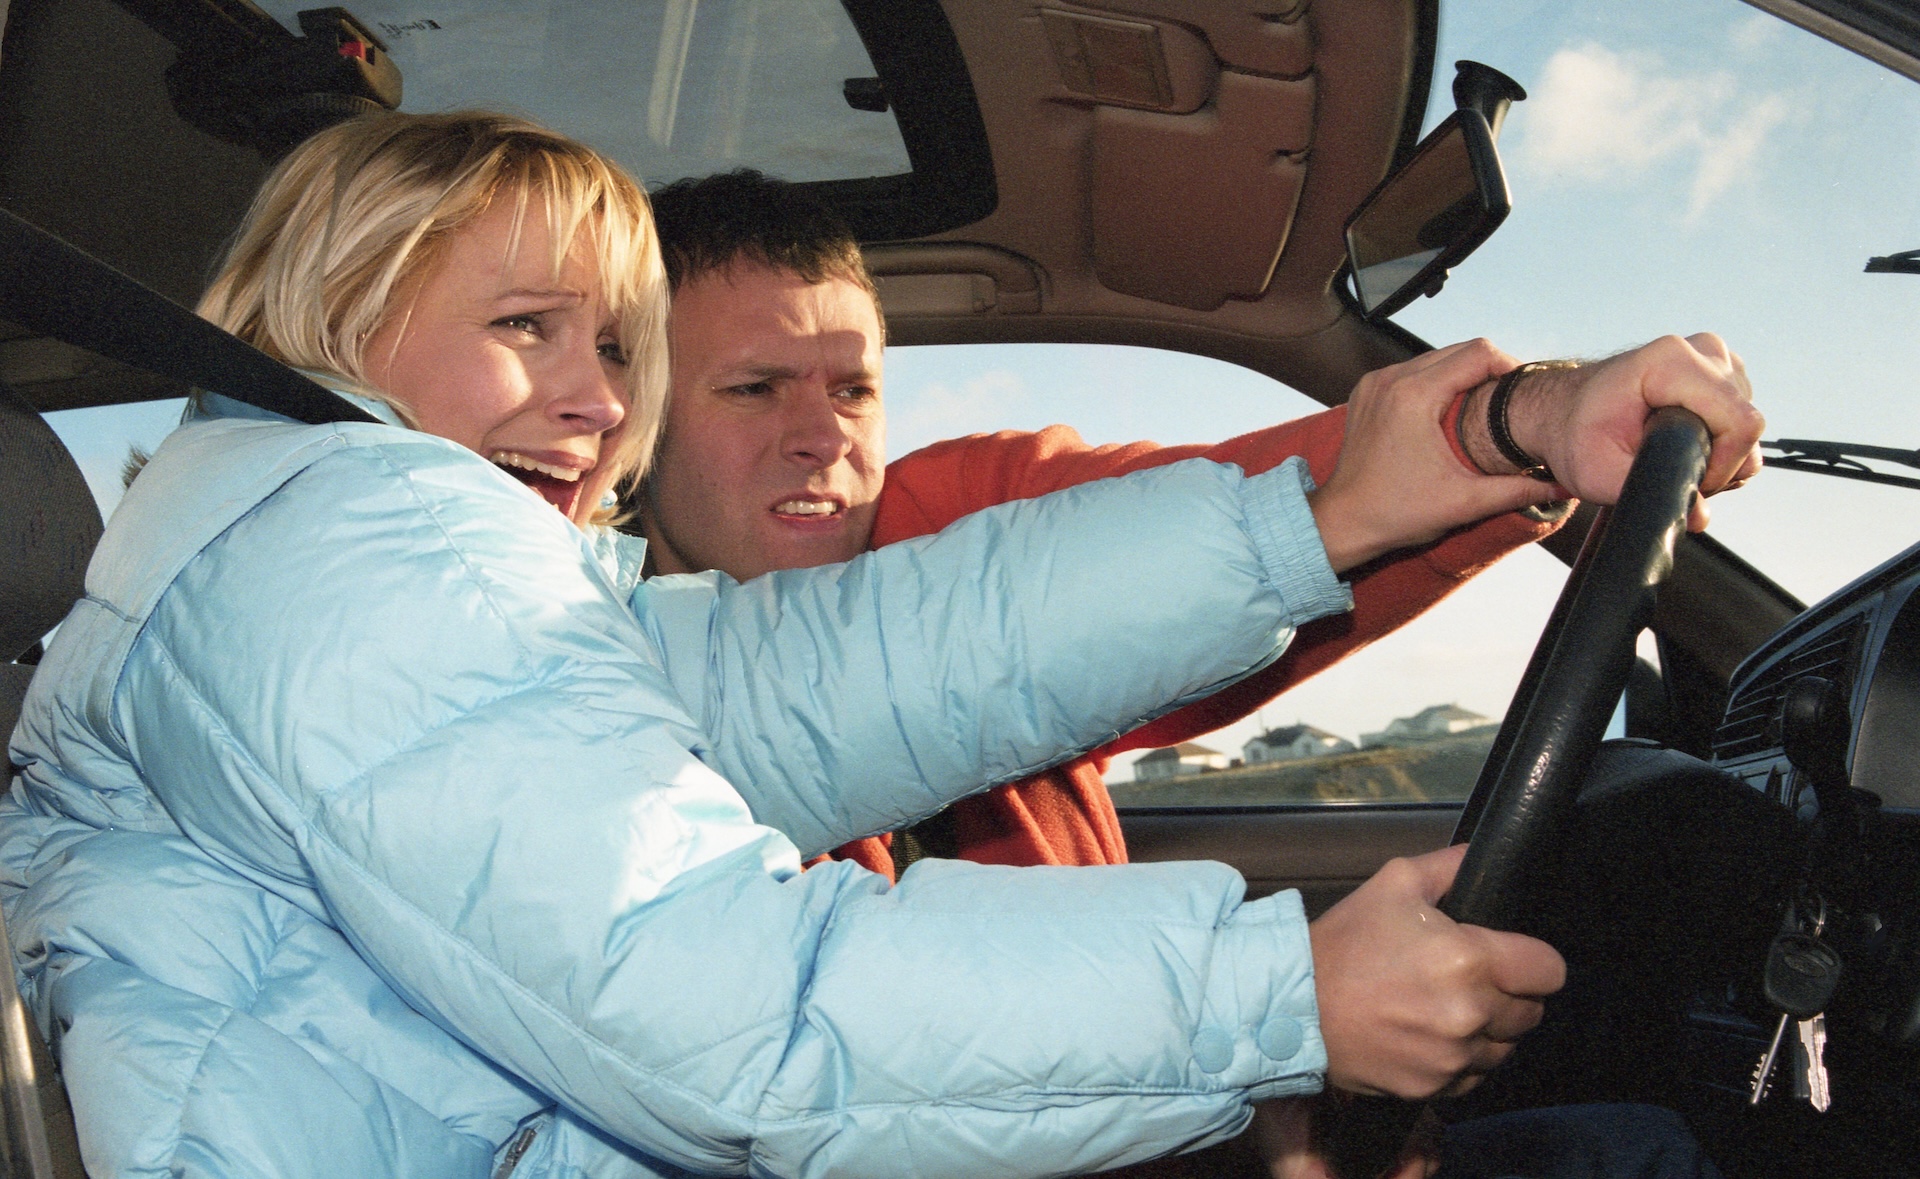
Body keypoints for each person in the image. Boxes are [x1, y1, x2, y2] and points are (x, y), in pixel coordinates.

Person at [0, 112, 1755, 1179]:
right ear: (333, 317)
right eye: (526, 328)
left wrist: (1362, 494)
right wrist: (1270, 995)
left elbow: (855, 661)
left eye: (615, 344)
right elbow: (721, 1000)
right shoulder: (358, 544)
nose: (599, 398)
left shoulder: (376, 573)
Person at [633, 173, 1759, 1179]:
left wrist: (1524, 422)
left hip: (1168, 1127)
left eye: (853, 391)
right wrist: (1278, 1021)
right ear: (635, 420)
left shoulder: (949, 534)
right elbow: (826, 1046)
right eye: (753, 390)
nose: (824, 437)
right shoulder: (603, 728)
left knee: (1639, 1142)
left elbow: (1252, 511)